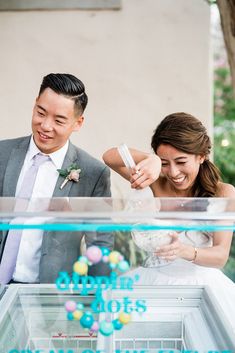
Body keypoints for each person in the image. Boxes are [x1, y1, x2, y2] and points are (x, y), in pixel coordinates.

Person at [103, 112, 235, 328]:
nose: (173, 172)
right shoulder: (155, 182)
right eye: (165, 163)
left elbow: (220, 256)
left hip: (201, 289)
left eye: (181, 161)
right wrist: (152, 160)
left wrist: (183, 251)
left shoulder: (223, 193)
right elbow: (110, 156)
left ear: (201, 156)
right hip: (152, 284)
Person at [0, 73, 113, 284]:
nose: (45, 126)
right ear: (35, 105)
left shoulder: (93, 173)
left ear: (78, 123)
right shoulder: (2, 153)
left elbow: (100, 243)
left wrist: (97, 299)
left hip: (50, 294)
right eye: (40, 112)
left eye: (59, 120)